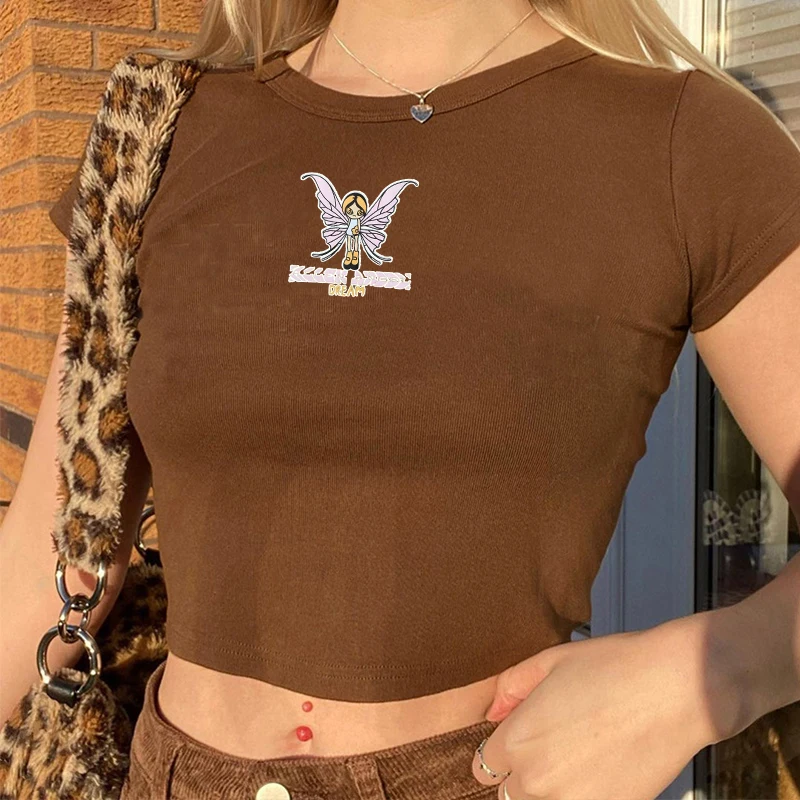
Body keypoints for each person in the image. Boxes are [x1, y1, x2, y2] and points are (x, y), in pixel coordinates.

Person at [3, 0, 800, 798]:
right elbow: (51, 562)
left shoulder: (684, 142)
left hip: (481, 778)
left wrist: (711, 676)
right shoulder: (151, 136)